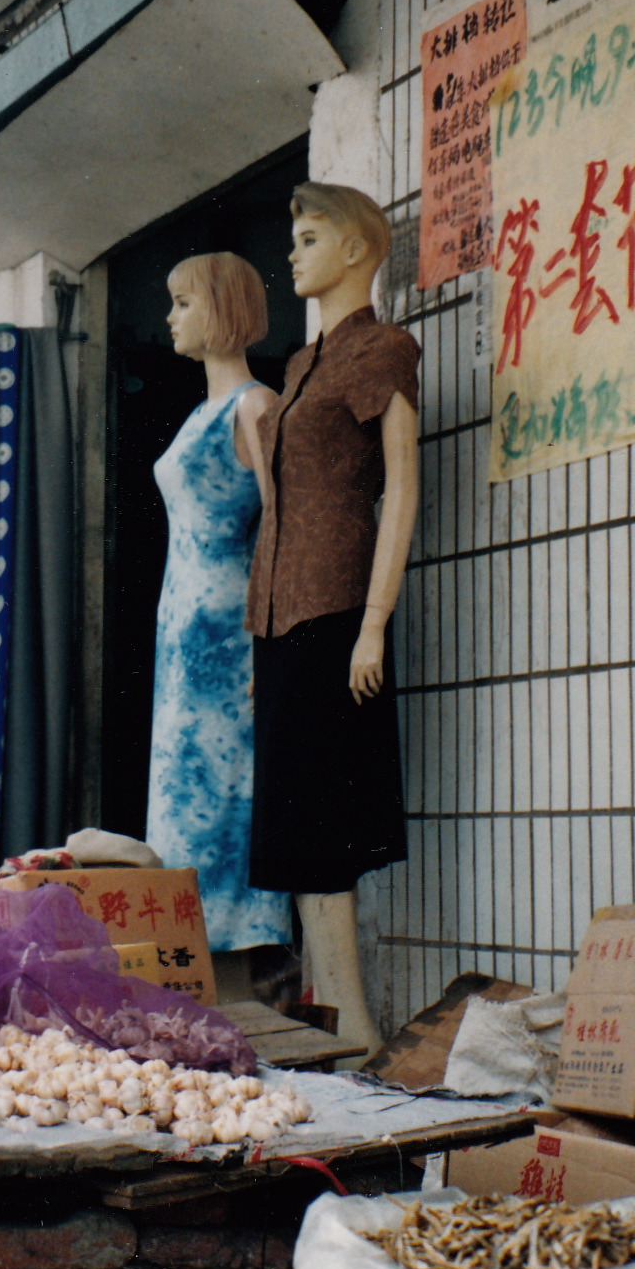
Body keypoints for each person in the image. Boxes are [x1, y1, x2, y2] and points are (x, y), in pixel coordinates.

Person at [246, 181, 422, 1063]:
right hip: (279, 612)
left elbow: (400, 491)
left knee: (322, 827)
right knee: (294, 828)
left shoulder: (382, 350)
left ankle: (355, 1024)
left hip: (335, 611)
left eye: (310, 236)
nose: (294, 252)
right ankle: (337, 1021)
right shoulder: (297, 366)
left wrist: (376, 621)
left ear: (357, 250)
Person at [146, 251, 294, 954]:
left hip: (229, 635)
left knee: (222, 796)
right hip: (183, 630)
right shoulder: (198, 413)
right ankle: (191, 952)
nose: (171, 317)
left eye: (182, 302)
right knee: (182, 794)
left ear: (220, 308)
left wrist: (272, 641)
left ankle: (236, 954)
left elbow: (284, 524)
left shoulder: (255, 405)